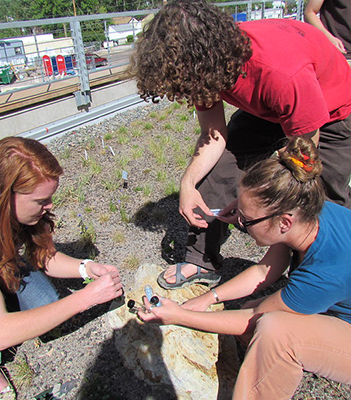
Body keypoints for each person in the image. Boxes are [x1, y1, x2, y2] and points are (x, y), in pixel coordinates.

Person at [128, 0, 351, 290]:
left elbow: (302, 161)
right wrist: (188, 183)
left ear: (203, 60)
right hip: (268, 106)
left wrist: (255, 197)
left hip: (331, 111)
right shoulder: (202, 69)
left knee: (319, 197)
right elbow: (213, 134)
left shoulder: (281, 73)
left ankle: (314, 281)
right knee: (219, 172)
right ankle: (201, 260)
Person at [138, 137, 351, 400]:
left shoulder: (325, 273)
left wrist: (179, 316)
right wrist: (208, 298)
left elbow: (252, 319)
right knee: (255, 310)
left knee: (274, 332)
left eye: (246, 220)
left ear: (284, 223)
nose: (238, 221)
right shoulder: (309, 212)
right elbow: (265, 271)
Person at [0, 137, 123, 399]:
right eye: (42, 200)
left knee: (46, 302)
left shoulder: (16, 209)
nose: (50, 206)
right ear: (4, 196)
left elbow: (45, 257)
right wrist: (85, 297)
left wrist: (86, 268)